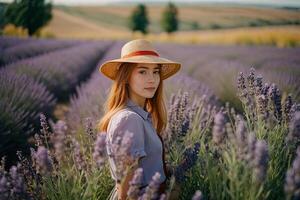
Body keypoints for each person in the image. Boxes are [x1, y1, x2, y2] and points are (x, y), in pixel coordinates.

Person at [97, 39, 181, 200]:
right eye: (142, 72)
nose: (152, 79)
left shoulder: (140, 115)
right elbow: (127, 193)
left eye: (156, 71)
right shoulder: (129, 119)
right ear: (126, 77)